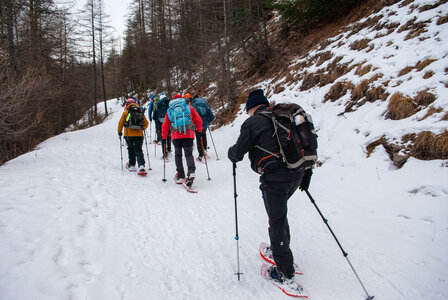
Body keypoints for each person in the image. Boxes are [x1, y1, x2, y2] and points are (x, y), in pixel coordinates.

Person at [227, 89, 313, 284]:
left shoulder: (253, 122)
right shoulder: (283, 117)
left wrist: (231, 154)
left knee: (276, 222)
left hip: (275, 180)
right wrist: (307, 172)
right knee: (280, 217)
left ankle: (285, 272)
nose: (247, 114)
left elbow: (238, 151)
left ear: (252, 108)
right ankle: (281, 253)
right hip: (297, 175)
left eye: (248, 110)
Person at [162, 94, 203, 187]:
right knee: (189, 154)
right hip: (188, 135)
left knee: (178, 155)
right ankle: (191, 172)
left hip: (176, 136)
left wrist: (164, 136)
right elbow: (198, 120)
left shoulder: (170, 110)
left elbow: (165, 125)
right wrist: (199, 130)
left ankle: (180, 175)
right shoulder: (189, 107)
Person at [118, 98, 149, 174]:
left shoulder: (126, 113)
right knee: (138, 150)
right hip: (139, 135)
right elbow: (146, 123)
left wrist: (120, 132)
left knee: (131, 149)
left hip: (128, 135)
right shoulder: (140, 112)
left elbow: (120, 123)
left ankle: (132, 165)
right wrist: (142, 128)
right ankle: (141, 166)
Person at [188, 94, 215, 161]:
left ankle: (201, 155)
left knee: (198, 139)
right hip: (205, 124)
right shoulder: (205, 103)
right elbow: (211, 116)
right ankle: (205, 151)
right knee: (204, 136)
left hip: (197, 125)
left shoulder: (193, 104)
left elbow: (192, 116)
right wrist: (208, 122)